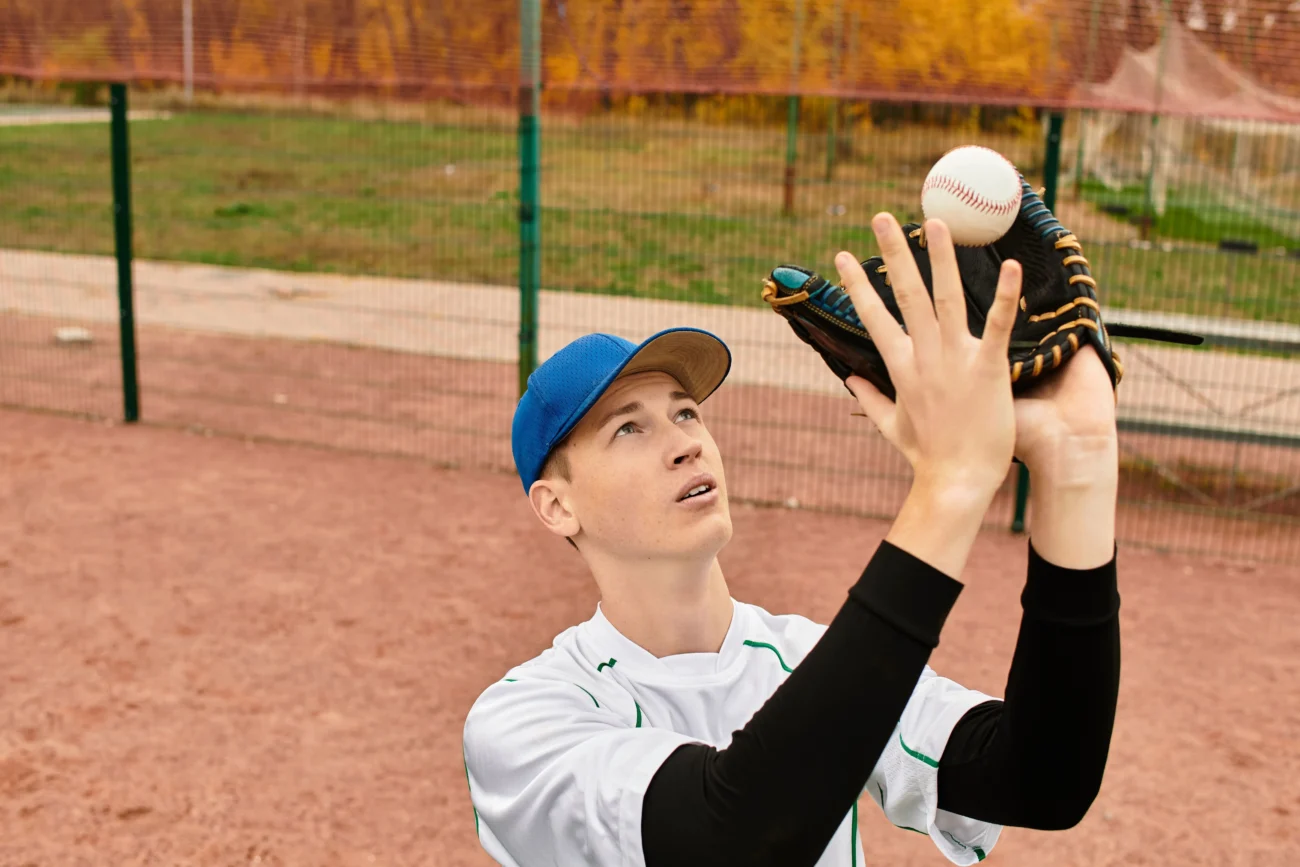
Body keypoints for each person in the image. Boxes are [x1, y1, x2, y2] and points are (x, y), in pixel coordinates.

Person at [462, 214, 1121, 867]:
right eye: (628, 429)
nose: (686, 443)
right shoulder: (523, 722)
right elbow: (734, 837)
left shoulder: (806, 658)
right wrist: (948, 487)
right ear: (556, 505)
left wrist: (1079, 469)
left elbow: (1043, 776)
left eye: (686, 411)